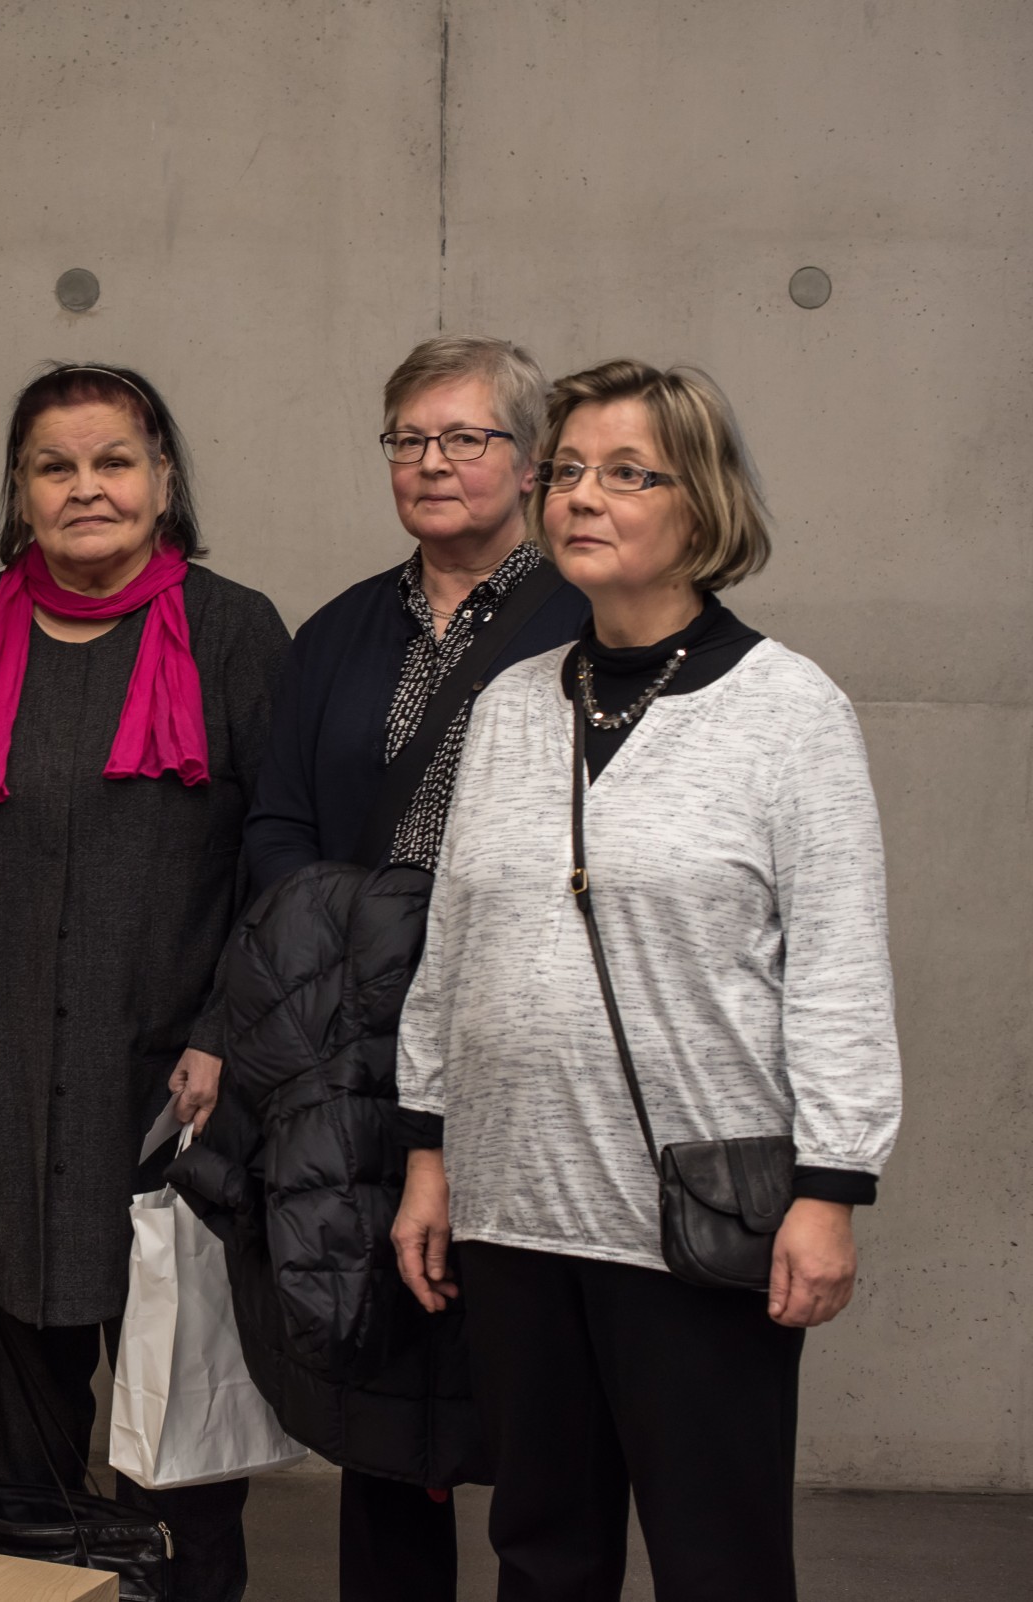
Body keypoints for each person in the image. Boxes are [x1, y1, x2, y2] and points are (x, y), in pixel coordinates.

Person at [391, 360, 902, 1601]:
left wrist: (832, 1189)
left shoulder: (789, 711)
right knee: (542, 1552)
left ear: (702, 501)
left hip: (697, 1223)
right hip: (515, 1208)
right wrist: (428, 1154)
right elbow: (451, 944)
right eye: (566, 469)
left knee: (717, 1561)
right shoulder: (513, 704)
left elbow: (839, 967)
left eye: (627, 472)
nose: (582, 497)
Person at [0, 362, 290, 1600]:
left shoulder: (236, 632)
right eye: (56, 465)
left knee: (176, 1435)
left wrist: (230, 1038)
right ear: (21, 490)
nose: (86, 487)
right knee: (8, 1419)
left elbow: (284, 863)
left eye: (114, 461)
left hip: (166, 1093)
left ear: (162, 480)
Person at [223, 336, 589, 1601]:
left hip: (520, 1055)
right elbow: (273, 824)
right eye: (408, 441)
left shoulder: (585, 619)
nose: (432, 465)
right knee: (380, 1354)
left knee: (534, 1368)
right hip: (350, 1051)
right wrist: (339, 957)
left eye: (465, 439)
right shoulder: (336, 630)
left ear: (533, 464)